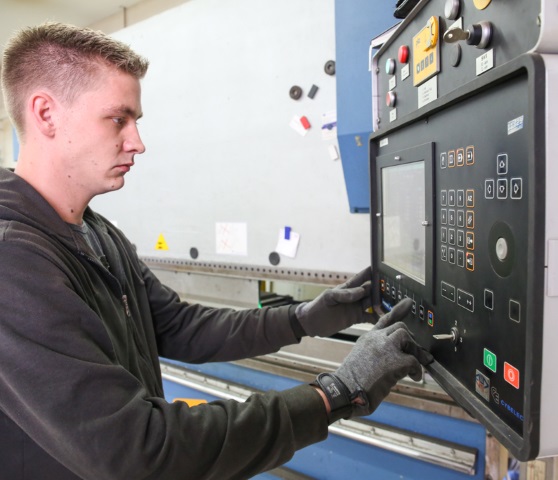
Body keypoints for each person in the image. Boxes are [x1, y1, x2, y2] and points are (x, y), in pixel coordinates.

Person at [0, 22, 432, 480]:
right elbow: (138, 449)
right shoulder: (14, 262)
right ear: (46, 114)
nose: (137, 142)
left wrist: (311, 317)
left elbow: (182, 327)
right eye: (118, 119)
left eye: (136, 122)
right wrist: (336, 393)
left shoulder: (95, 232)